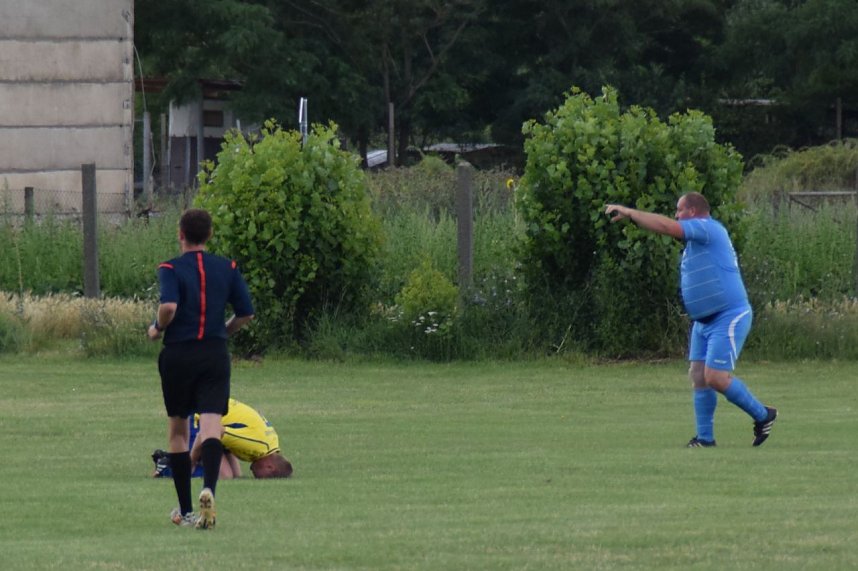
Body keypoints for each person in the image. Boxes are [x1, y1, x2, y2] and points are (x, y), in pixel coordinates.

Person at [604, 192, 777, 448]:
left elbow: (665, 226)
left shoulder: (707, 228)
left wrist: (630, 213)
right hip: (704, 321)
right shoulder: (696, 241)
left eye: (679, 210)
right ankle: (705, 439)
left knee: (715, 377)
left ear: (693, 211)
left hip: (728, 314)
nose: (676, 215)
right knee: (698, 375)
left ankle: (764, 415)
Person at [148, 208, 254, 529]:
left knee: (178, 431)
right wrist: (223, 330)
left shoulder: (170, 267)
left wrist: (157, 327)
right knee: (211, 426)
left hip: (179, 354)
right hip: (213, 353)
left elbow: (168, 306)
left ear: (180, 234)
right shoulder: (228, 268)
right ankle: (209, 487)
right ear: (209, 236)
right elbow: (246, 314)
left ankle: (186, 509)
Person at [152, 398, 293, 480]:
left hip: (215, 415)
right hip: (201, 416)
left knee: (235, 476)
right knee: (224, 476)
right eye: (261, 477)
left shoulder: (271, 444)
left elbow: (231, 440)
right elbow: (207, 433)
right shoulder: (255, 444)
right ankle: (168, 465)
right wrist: (191, 462)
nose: (252, 471)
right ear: (270, 467)